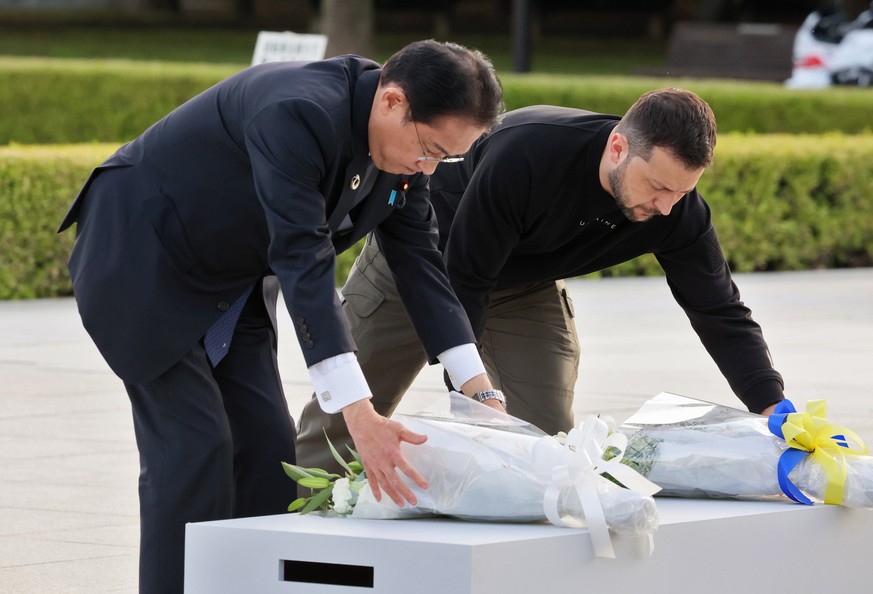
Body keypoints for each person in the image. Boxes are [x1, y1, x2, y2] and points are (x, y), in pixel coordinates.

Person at [57, 40, 504, 594]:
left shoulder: (402, 150)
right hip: (143, 259)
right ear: (392, 102)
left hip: (232, 276)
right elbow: (304, 261)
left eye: (446, 157)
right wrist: (359, 416)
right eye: (430, 148)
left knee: (271, 454)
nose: (429, 167)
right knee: (195, 449)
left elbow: (418, 261)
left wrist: (480, 392)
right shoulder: (299, 111)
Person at [296, 88, 786, 473]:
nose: (665, 207)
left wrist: (773, 405)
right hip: (425, 265)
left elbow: (719, 310)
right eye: (658, 186)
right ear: (618, 147)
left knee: (547, 444)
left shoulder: (677, 213)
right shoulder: (528, 153)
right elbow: (464, 280)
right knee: (341, 426)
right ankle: (280, 527)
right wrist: (472, 397)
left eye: (681, 192)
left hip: (525, 284)